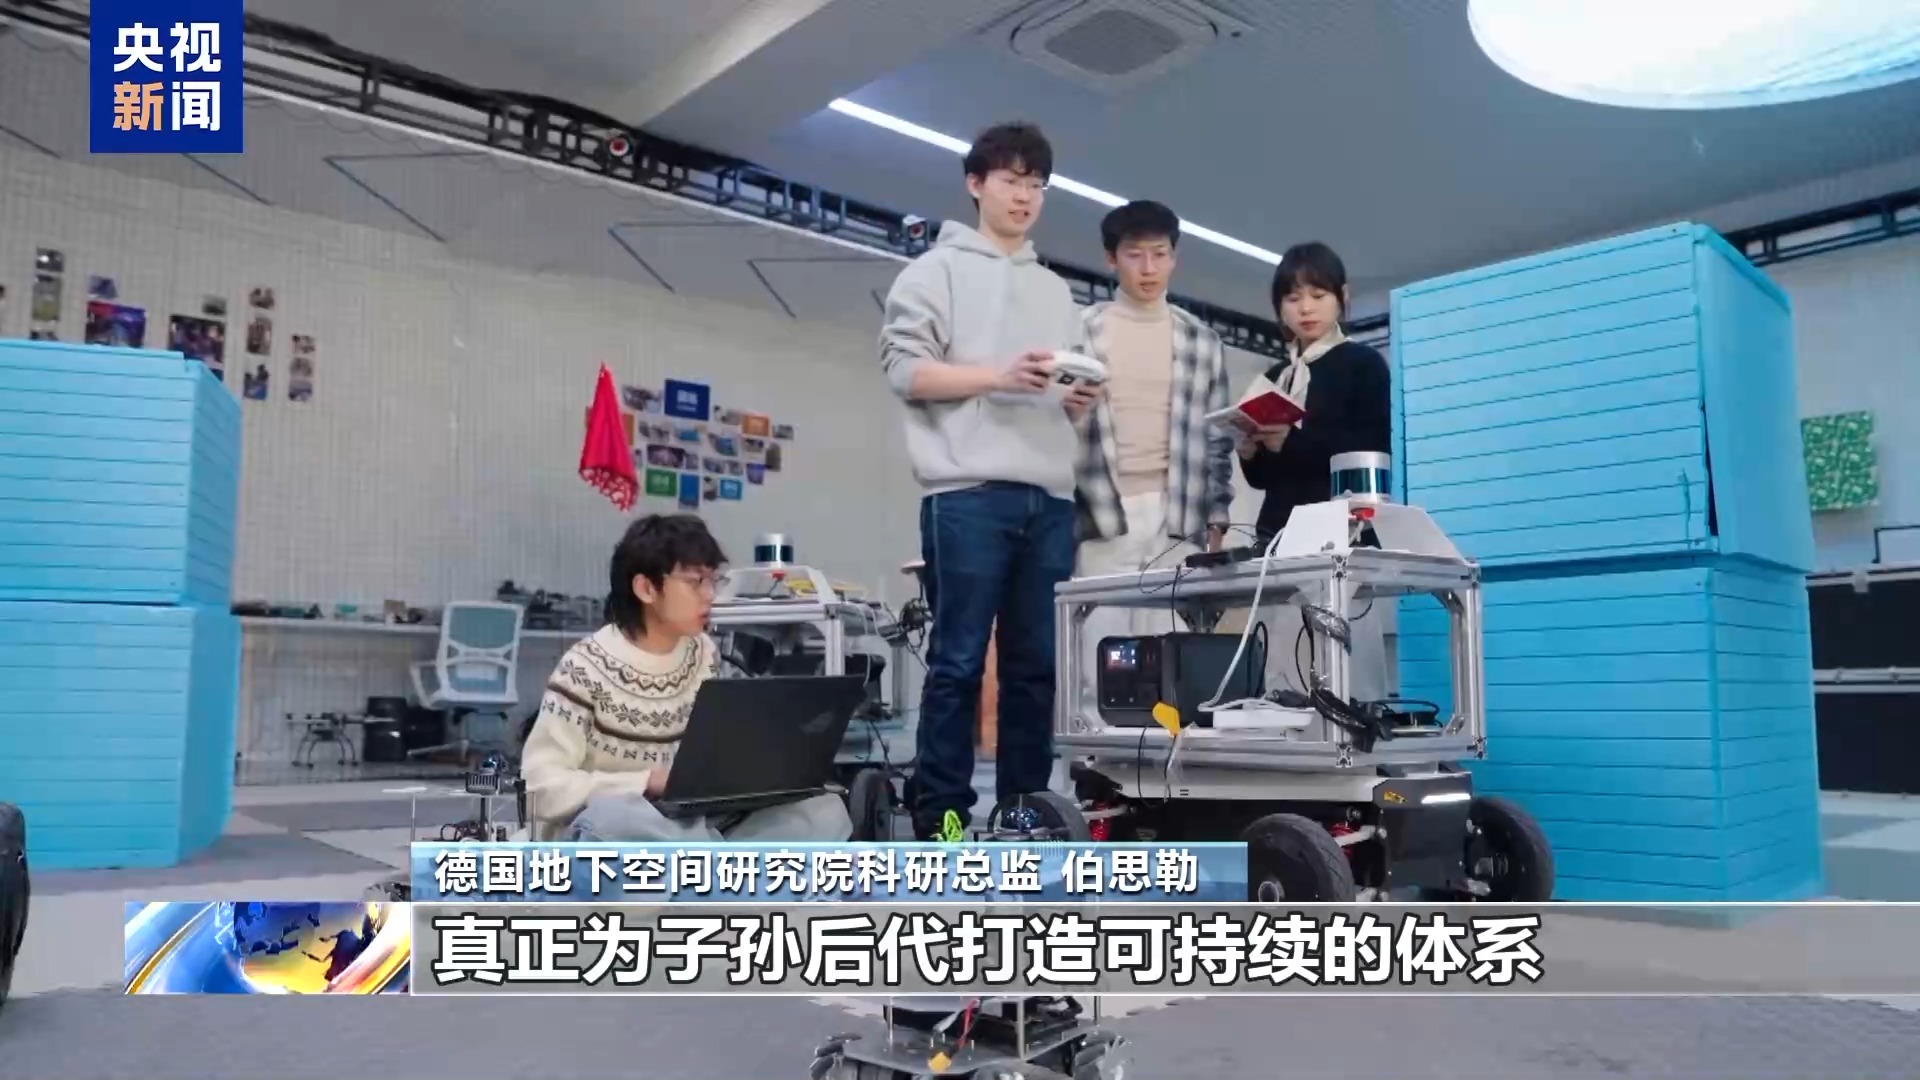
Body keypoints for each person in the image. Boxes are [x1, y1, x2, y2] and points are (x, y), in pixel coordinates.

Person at [879, 121, 1097, 843]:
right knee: (958, 662)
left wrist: (1075, 398)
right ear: (975, 184)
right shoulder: (933, 272)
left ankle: (1023, 815)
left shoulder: (1057, 291)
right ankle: (941, 820)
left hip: (1050, 497)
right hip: (966, 492)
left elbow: (1061, 391)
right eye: (1010, 180)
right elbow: (905, 371)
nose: (1024, 196)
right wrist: (996, 377)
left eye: (1036, 184)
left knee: (1036, 669)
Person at [519, 514, 852, 843]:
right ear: (646, 588)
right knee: (614, 821)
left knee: (823, 810)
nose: (710, 595)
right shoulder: (584, 668)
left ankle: (702, 865)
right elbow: (541, 788)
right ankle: (717, 865)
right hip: (626, 822)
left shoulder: (704, 653)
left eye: (714, 581)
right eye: (696, 582)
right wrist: (644, 782)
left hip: (690, 821)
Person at [1072, 200, 1235, 668]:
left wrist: (1217, 517)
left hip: (1178, 511)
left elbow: (1218, 441)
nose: (1148, 268)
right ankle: (1096, 721)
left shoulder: (1202, 341)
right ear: (1111, 258)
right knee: (1100, 654)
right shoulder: (1080, 331)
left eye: (1159, 254)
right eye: (1134, 255)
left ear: (1174, 258)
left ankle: (1167, 721)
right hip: (1102, 508)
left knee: (1170, 655)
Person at [1235, 242, 1392, 695]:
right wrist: (1250, 451)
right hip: (1279, 535)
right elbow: (1265, 479)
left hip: (1341, 533)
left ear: (1342, 297)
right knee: (1284, 666)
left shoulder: (1362, 365)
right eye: (1292, 298)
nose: (1305, 308)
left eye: (1318, 295)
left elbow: (1367, 451)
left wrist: (1292, 440)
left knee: (1344, 666)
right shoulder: (1276, 376)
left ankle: (1353, 738)